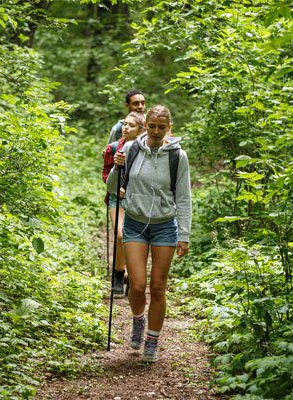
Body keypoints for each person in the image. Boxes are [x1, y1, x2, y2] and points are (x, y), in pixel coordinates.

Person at [107, 105, 191, 363]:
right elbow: (112, 188)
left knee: (157, 287)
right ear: (145, 127)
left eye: (161, 127)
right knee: (138, 285)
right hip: (134, 222)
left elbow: (184, 198)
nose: (155, 131)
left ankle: (152, 340)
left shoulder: (178, 156)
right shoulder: (131, 150)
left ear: (169, 127)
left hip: (165, 225)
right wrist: (116, 167)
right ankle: (138, 320)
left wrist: (184, 234)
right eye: (152, 126)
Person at [102, 111, 146, 297]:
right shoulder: (113, 148)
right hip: (117, 197)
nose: (125, 128)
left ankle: (131, 273)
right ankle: (118, 276)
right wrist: (115, 187)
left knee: (136, 237)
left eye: (131, 125)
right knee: (121, 234)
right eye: (125, 124)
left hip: (138, 197)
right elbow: (105, 174)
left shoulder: (147, 151)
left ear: (141, 130)